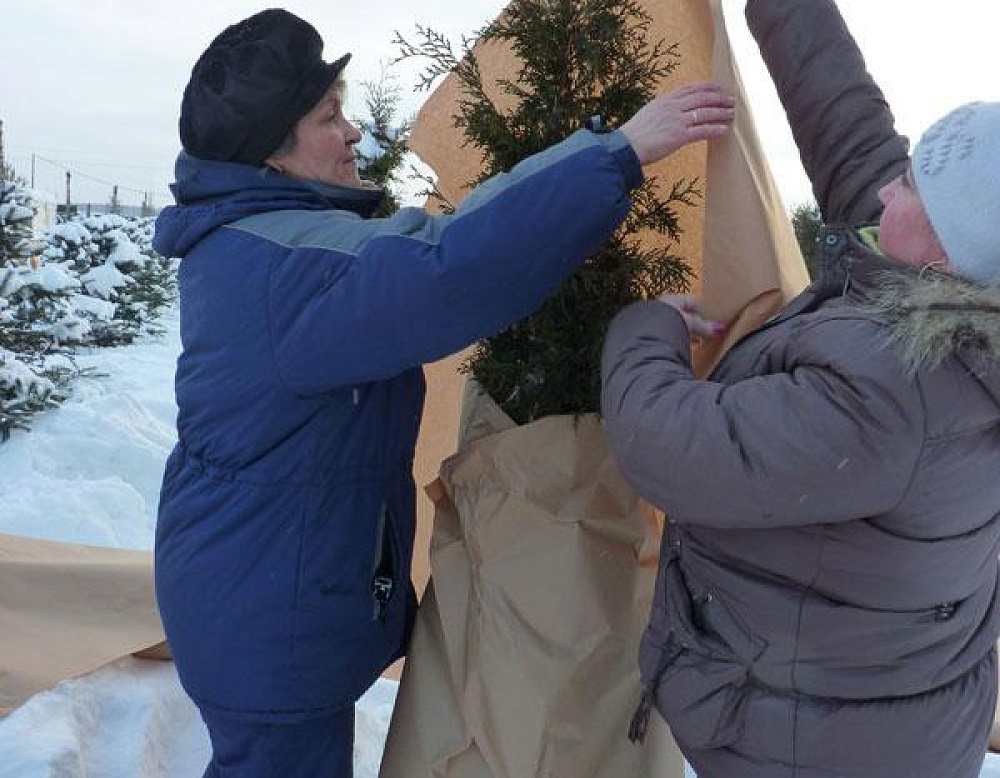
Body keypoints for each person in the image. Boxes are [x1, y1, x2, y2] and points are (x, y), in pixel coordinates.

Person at [152, 7, 734, 777]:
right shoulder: (288, 269)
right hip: (266, 618)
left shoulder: (262, 242)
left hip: (257, 596)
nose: (353, 132)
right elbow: (448, 266)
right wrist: (618, 152)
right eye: (329, 116)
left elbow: (432, 243)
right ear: (273, 154)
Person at [601, 0, 1000, 776]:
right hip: (880, 714)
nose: (887, 194)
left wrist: (644, 327)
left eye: (912, 188)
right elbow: (849, 126)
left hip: (813, 751)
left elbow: (666, 442)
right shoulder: (952, 292)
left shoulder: (903, 395)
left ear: (954, 252)